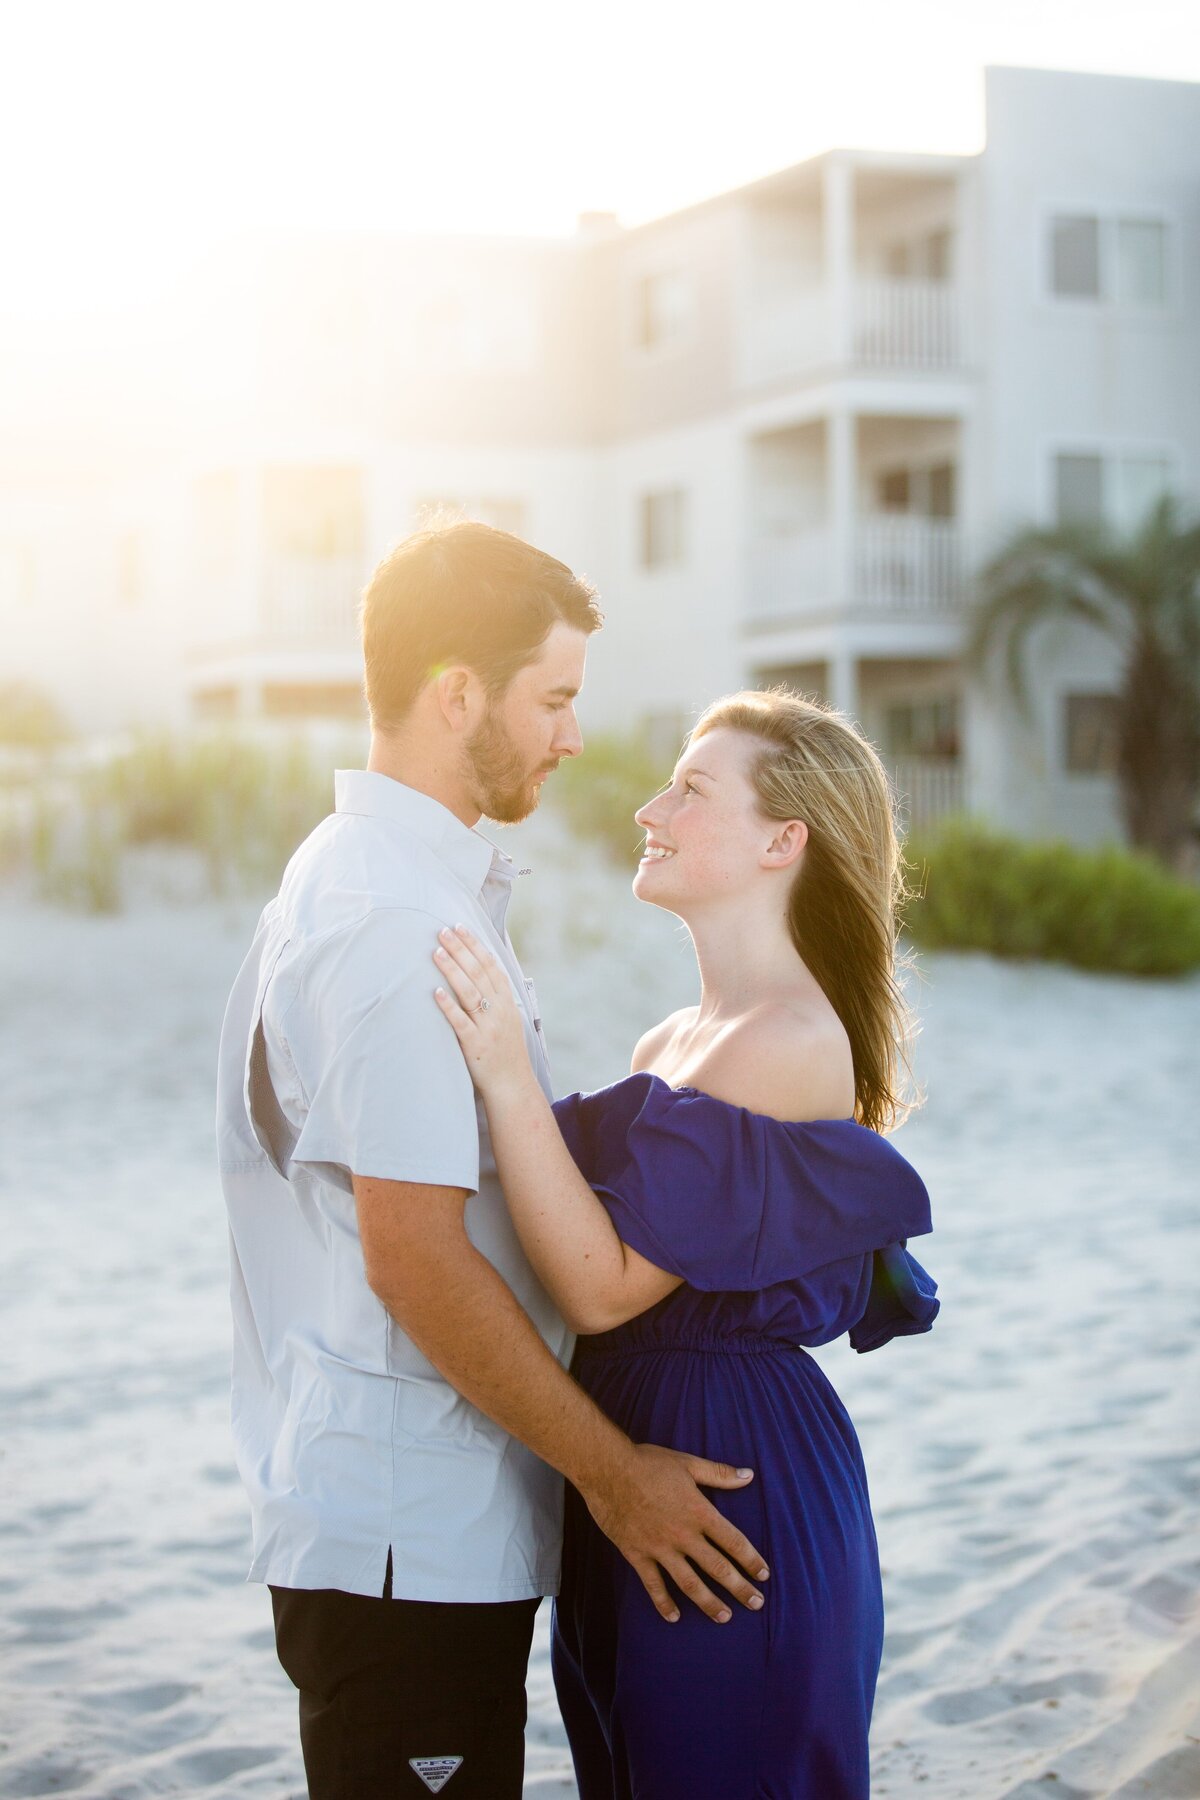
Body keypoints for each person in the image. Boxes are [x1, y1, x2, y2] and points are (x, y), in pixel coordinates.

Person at [215, 522, 775, 1800]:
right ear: (456, 691)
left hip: (415, 1523)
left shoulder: (379, 878)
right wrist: (616, 1479)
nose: (573, 737)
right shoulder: (389, 920)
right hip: (408, 1541)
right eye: (555, 699)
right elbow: (414, 1256)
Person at [431, 687, 940, 1800]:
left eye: (693, 787)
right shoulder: (674, 1039)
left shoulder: (792, 1039)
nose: (650, 807)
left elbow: (603, 1289)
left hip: (730, 1490)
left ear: (782, 841)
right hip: (630, 1479)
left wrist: (509, 1075)